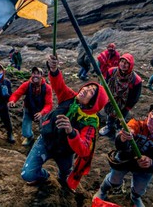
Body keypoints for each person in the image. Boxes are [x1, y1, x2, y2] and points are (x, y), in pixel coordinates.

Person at [21, 54, 109, 191]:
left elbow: (84, 150)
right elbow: (59, 85)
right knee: (27, 174)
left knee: (65, 175)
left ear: (93, 103)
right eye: (87, 87)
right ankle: (44, 176)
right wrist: (54, 69)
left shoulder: (90, 123)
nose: (85, 90)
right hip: (46, 140)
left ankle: (62, 181)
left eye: (91, 92)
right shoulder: (70, 97)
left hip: (65, 152)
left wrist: (71, 132)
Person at [94, 104, 153, 207]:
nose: (152, 117)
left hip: (145, 169)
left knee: (139, 189)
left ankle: (135, 197)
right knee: (114, 180)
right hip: (125, 159)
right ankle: (103, 190)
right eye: (152, 112)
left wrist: (152, 164)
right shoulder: (137, 124)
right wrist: (123, 138)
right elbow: (119, 146)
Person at [8, 67, 53, 146]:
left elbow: (49, 104)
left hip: (42, 111)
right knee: (25, 132)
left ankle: (43, 141)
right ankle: (30, 137)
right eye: (34, 73)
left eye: (38, 73)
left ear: (41, 75)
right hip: (28, 109)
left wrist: (42, 113)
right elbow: (17, 94)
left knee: (45, 130)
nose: (35, 75)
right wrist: (12, 100)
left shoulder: (47, 88)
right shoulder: (26, 85)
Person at [100, 53, 142, 137]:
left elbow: (135, 96)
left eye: (126, 63)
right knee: (110, 113)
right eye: (122, 61)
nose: (123, 64)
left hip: (125, 103)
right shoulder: (112, 71)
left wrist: (128, 107)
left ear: (130, 65)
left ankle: (119, 128)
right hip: (111, 98)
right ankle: (109, 126)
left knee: (121, 117)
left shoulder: (136, 80)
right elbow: (105, 82)